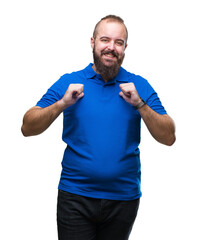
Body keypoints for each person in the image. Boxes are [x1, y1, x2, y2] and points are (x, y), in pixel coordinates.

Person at [21, 15, 176, 240]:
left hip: (123, 198)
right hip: (75, 197)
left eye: (118, 42)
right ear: (93, 42)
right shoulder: (70, 82)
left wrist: (140, 104)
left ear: (125, 47)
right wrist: (62, 103)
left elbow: (169, 136)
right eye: (105, 40)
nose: (111, 48)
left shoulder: (138, 85)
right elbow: (27, 126)